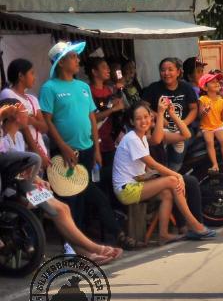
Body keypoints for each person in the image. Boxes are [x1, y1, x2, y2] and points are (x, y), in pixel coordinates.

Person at [0, 108, 122, 265]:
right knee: (58, 210)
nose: (28, 115)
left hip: (26, 185)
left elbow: (23, 168)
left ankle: (84, 252)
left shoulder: (18, 136)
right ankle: (94, 248)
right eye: (23, 111)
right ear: (14, 117)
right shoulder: (3, 140)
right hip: (13, 190)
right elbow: (11, 168)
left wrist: (37, 179)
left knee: (63, 208)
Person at [39, 41, 130, 249]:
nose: (77, 60)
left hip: (87, 149)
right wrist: (62, 147)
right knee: (71, 198)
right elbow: (48, 121)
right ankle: (72, 245)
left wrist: (96, 149)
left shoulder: (82, 87)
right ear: (61, 62)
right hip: (65, 152)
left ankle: (80, 244)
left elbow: (91, 118)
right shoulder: (49, 88)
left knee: (81, 197)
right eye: (73, 57)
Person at [113, 101, 216, 244]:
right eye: (138, 118)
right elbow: (152, 164)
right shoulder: (131, 138)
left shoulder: (142, 137)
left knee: (167, 193)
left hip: (136, 184)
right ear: (131, 121)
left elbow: (159, 140)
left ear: (151, 117)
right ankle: (194, 224)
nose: (143, 121)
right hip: (127, 190)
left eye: (146, 117)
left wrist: (164, 113)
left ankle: (163, 234)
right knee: (173, 180)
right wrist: (176, 175)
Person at [141, 58, 200, 171]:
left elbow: (194, 109)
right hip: (161, 128)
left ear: (178, 72)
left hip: (185, 128)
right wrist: (158, 116)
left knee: (180, 141)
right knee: (158, 146)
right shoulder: (154, 88)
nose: (166, 73)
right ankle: (162, 173)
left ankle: (173, 171)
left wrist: (183, 123)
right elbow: (143, 106)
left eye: (170, 69)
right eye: (163, 70)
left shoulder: (186, 88)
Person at [86, 57, 125, 195]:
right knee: (97, 177)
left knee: (113, 174)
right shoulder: (87, 91)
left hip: (110, 140)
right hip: (95, 141)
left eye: (108, 67)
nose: (108, 70)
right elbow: (91, 117)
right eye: (104, 67)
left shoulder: (109, 90)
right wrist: (112, 109)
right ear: (94, 72)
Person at [1, 59, 50, 158]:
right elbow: (24, 128)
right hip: (26, 154)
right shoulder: (8, 93)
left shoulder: (33, 99)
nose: (34, 77)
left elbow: (45, 128)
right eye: (32, 73)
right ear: (21, 76)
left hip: (40, 151)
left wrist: (31, 120)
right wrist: (39, 155)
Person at [197, 72, 223, 174]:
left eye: (217, 82)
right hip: (206, 127)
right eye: (212, 82)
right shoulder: (203, 100)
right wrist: (205, 111)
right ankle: (215, 164)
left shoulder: (222, 101)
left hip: (218, 125)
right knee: (209, 142)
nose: (217, 84)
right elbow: (200, 116)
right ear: (205, 87)